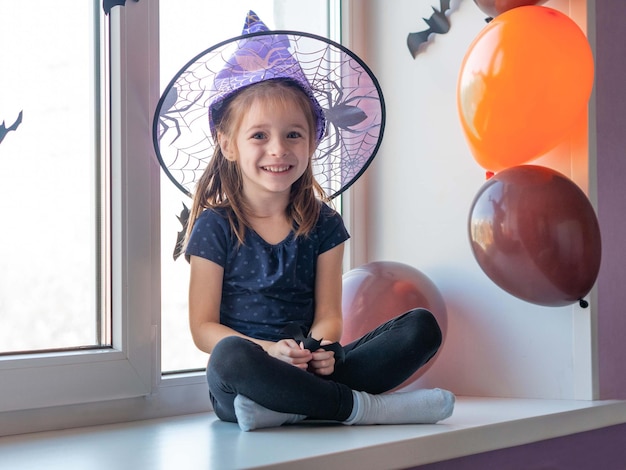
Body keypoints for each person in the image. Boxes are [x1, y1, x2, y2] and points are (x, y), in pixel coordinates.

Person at [157, 11, 455, 432]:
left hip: (310, 368)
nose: (278, 149)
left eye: (293, 134)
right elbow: (203, 329)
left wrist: (322, 348)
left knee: (421, 327)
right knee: (229, 356)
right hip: (246, 375)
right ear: (227, 143)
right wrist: (269, 352)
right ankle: (361, 408)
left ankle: (290, 408)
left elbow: (330, 313)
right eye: (259, 135)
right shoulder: (214, 226)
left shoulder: (324, 224)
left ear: (313, 139)